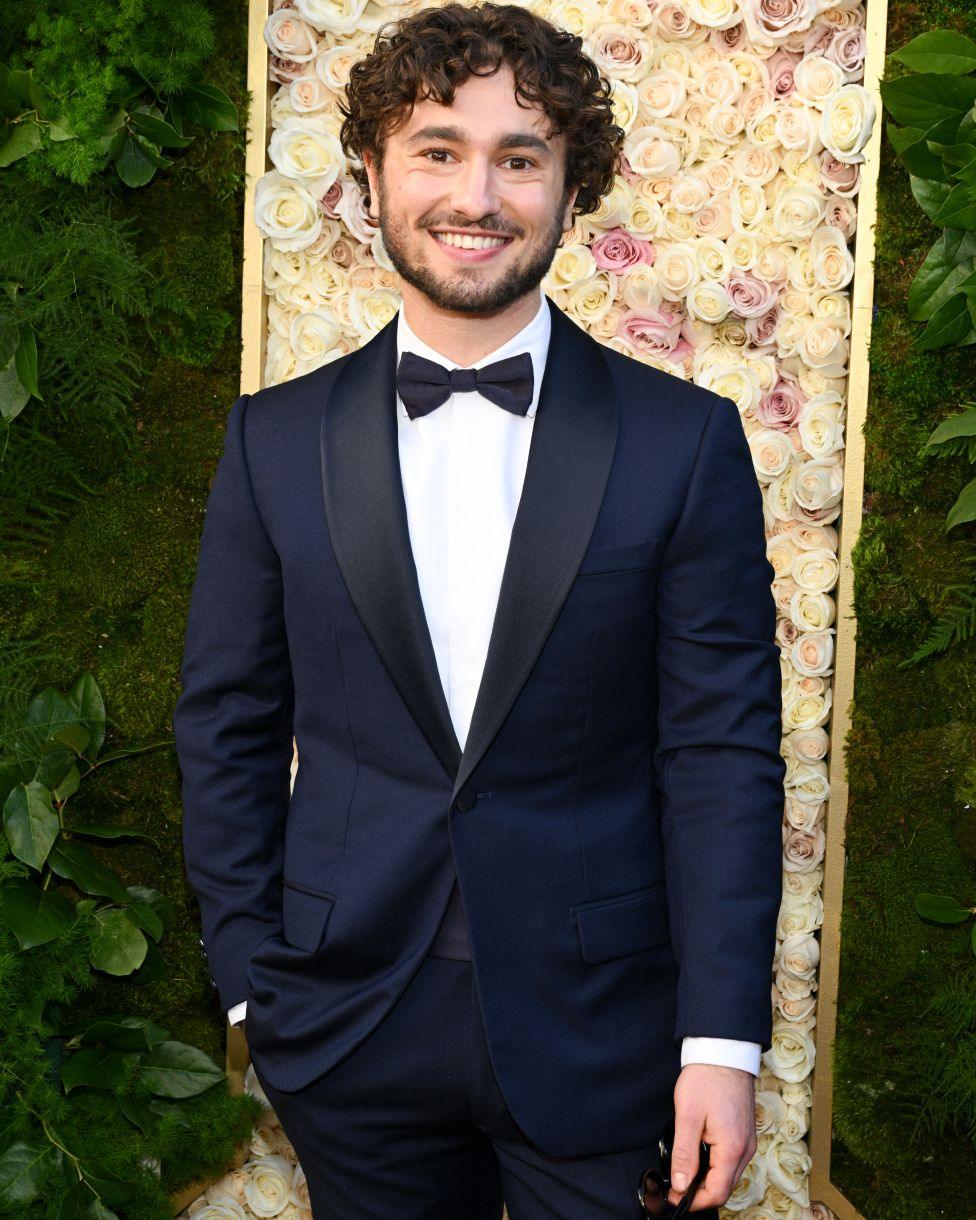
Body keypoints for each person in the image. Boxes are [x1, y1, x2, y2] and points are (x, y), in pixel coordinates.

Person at [173, 4, 786, 1217]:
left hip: (608, 1033)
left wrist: (720, 1042)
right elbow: (226, 722)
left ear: (573, 188)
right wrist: (252, 984)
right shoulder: (272, 441)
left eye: (520, 156)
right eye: (437, 149)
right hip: (348, 1029)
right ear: (371, 176)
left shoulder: (682, 443)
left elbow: (718, 751)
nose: (478, 193)